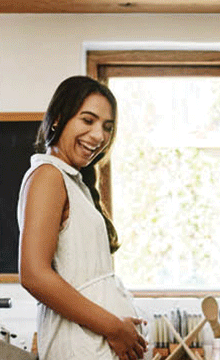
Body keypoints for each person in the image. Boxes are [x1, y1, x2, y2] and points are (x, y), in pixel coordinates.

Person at [18, 76, 146, 360]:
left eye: (107, 127)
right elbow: (34, 275)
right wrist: (114, 328)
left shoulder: (75, 184)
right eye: (88, 120)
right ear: (58, 119)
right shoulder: (49, 176)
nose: (99, 136)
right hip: (78, 347)